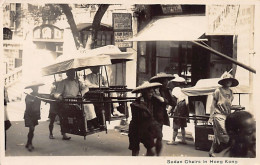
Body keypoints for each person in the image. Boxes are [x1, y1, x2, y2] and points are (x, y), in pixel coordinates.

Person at [54, 69, 97, 137]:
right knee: (80, 109)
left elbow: (86, 88)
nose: (73, 75)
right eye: (71, 73)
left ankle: (90, 123)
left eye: (73, 73)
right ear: (67, 74)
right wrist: (60, 97)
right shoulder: (63, 82)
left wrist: (81, 93)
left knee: (89, 105)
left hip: (77, 100)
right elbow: (56, 94)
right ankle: (86, 125)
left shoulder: (77, 82)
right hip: (68, 102)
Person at [128, 81, 165, 156]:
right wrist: (142, 104)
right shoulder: (136, 103)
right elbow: (143, 115)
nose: (151, 94)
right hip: (136, 128)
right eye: (149, 92)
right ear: (144, 92)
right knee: (135, 149)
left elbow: (164, 101)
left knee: (153, 145)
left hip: (148, 127)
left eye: (152, 92)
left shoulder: (153, 100)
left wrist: (156, 96)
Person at [208, 71, 239, 157]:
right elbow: (213, 105)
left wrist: (236, 108)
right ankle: (231, 152)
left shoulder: (231, 92)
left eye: (230, 80)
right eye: (227, 80)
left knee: (218, 134)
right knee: (225, 133)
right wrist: (210, 117)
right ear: (223, 81)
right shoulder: (218, 91)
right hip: (219, 115)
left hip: (227, 116)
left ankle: (211, 151)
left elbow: (228, 105)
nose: (229, 82)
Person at [167, 75, 189, 145]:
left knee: (175, 124)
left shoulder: (175, 89)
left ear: (177, 83)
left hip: (179, 106)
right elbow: (187, 102)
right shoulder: (184, 89)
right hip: (184, 106)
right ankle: (183, 139)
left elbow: (173, 101)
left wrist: (168, 111)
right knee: (182, 125)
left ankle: (173, 140)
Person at [24, 82, 44, 151]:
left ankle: (28, 142)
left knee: (32, 130)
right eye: (35, 88)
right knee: (31, 128)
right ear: (32, 89)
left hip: (35, 114)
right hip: (29, 114)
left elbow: (45, 99)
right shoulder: (29, 95)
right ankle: (30, 144)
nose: (37, 89)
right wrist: (33, 100)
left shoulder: (38, 95)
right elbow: (28, 103)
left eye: (37, 88)